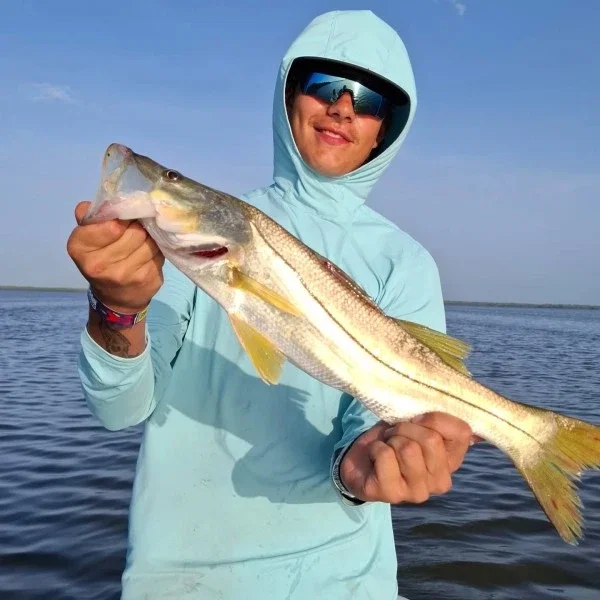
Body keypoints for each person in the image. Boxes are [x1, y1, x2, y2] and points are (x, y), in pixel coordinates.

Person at [67, 10, 474, 600]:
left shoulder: (405, 263)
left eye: (368, 100)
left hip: (347, 584)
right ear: (289, 98)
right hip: (181, 581)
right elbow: (118, 409)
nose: (342, 108)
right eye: (323, 86)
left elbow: (374, 423)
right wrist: (116, 307)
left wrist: (363, 468)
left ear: (384, 130)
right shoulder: (186, 248)